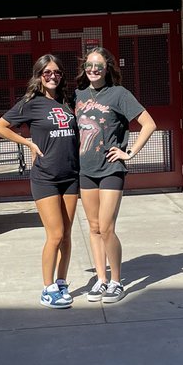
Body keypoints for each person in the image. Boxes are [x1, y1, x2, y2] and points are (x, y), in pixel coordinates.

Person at [0, 54, 79, 308]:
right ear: (39, 75)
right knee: (55, 235)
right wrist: (27, 142)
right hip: (45, 178)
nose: (53, 77)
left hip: (70, 176)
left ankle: (61, 282)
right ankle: (47, 288)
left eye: (57, 73)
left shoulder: (68, 100)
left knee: (67, 235)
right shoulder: (31, 103)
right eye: (47, 73)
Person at [74, 47, 156, 303]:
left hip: (111, 169)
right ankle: (101, 279)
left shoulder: (119, 94)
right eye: (89, 65)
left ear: (107, 68)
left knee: (107, 227)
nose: (93, 70)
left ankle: (117, 281)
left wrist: (128, 153)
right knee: (94, 227)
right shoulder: (77, 95)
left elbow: (149, 124)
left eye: (98, 65)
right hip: (86, 170)